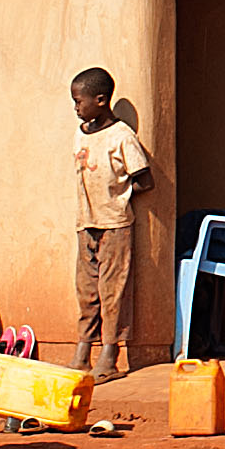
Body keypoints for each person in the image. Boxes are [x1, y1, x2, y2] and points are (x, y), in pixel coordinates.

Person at [70, 65, 151, 382]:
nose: (76, 108)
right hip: (86, 223)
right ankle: (82, 349)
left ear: (101, 100)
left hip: (114, 224)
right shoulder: (80, 133)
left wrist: (119, 197)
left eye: (80, 101)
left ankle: (109, 352)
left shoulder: (121, 137)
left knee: (112, 290)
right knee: (86, 290)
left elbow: (145, 179)